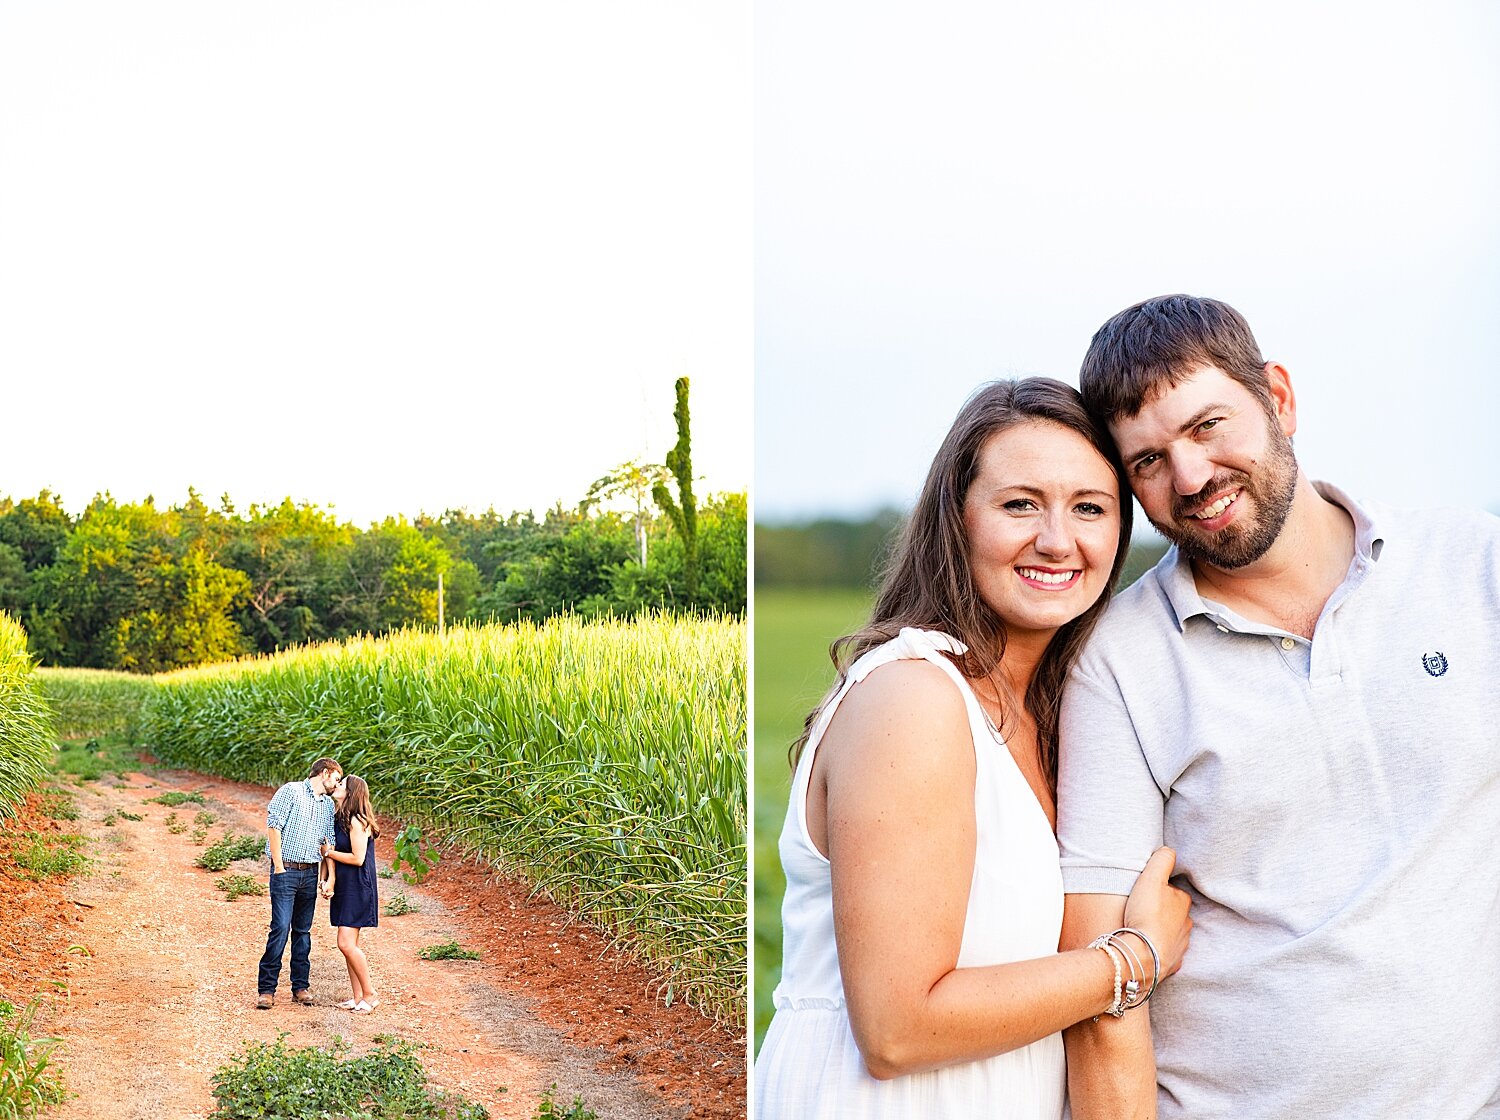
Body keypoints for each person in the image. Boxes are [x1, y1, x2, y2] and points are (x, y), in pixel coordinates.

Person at [1057, 294, 1500, 1118]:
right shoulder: (1116, 664)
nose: (1191, 478)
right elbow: (1101, 988)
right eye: (1148, 462)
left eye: (1207, 426)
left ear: (1280, 400)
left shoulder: (1473, 566)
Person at [755, 378, 1193, 1118]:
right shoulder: (915, 698)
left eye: (1090, 508)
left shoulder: (1050, 714)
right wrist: (1134, 959)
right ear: (956, 520)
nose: (1057, 540)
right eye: (1020, 503)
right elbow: (897, 1028)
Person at [256, 756, 342, 1009]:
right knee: (281, 928)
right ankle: (267, 989)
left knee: (303, 932)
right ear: (325, 773)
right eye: (336, 779)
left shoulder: (327, 805)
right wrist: (279, 866)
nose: (336, 785)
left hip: (310, 871)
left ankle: (300, 987)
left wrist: (326, 878)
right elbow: (274, 827)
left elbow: (328, 843)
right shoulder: (291, 791)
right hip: (287, 870)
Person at [319, 775, 382, 1013]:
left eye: (342, 785)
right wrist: (327, 878)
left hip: (358, 886)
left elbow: (357, 859)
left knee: (345, 944)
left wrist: (329, 854)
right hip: (346, 886)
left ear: (352, 793)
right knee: (349, 945)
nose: (337, 786)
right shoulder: (340, 818)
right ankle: (357, 997)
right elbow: (330, 851)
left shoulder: (357, 821)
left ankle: (370, 994)